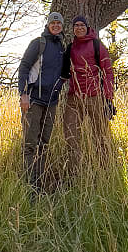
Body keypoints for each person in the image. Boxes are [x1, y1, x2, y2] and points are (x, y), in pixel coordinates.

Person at [17, 11, 68, 194]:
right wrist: (23, 94)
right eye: (53, 23)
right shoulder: (38, 43)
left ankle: (40, 182)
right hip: (34, 100)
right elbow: (23, 67)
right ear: (48, 25)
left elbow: (63, 73)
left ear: (62, 27)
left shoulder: (62, 47)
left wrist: (59, 86)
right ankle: (30, 187)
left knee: (44, 144)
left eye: (59, 23)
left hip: (51, 102)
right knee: (30, 144)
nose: (56, 25)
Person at [62, 15, 115, 173]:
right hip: (74, 98)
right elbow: (64, 72)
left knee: (100, 136)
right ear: (73, 29)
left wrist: (108, 98)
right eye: (76, 25)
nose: (78, 27)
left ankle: (104, 171)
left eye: (81, 25)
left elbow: (107, 72)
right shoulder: (70, 47)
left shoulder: (97, 45)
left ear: (87, 27)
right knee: (71, 136)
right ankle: (74, 173)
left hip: (95, 97)